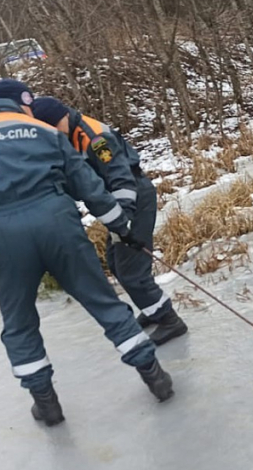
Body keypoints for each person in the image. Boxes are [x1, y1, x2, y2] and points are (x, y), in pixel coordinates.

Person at [0, 79, 174, 427]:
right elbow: (88, 185)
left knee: (19, 323)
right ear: (24, 103)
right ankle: (154, 375)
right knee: (104, 302)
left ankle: (46, 404)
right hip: (59, 225)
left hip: (3, 237)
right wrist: (121, 225)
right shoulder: (42, 131)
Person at [31, 97, 187, 346]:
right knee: (116, 263)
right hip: (115, 202)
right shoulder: (68, 135)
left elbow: (120, 176)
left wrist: (124, 220)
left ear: (59, 119)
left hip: (133, 197)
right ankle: (152, 309)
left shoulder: (96, 138)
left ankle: (170, 320)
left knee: (131, 271)